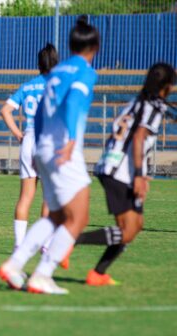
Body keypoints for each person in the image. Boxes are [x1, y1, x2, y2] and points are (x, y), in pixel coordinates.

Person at [0, 16, 100, 295]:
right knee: (78, 216)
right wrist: (69, 141)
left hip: (40, 144)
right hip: (62, 147)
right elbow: (75, 104)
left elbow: (42, 110)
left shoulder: (56, 72)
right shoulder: (85, 71)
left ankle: (16, 264)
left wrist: (37, 143)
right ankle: (42, 273)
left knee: (56, 215)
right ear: (95, 46)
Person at [72, 63, 176, 286]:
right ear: (166, 86)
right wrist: (139, 174)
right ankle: (69, 241)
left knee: (135, 225)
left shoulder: (137, 102)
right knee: (127, 230)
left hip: (119, 168)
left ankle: (98, 274)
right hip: (120, 172)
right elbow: (138, 138)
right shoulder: (153, 107)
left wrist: (142, 173)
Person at [0, 43, 58, 250]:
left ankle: (19, 245)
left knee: (25, 197)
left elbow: (5, 110)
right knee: (49, 196)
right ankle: (46, 243)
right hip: (48, 141)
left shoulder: (29, 85)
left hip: (29, 140)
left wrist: (17, 133)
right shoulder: (58, 85)